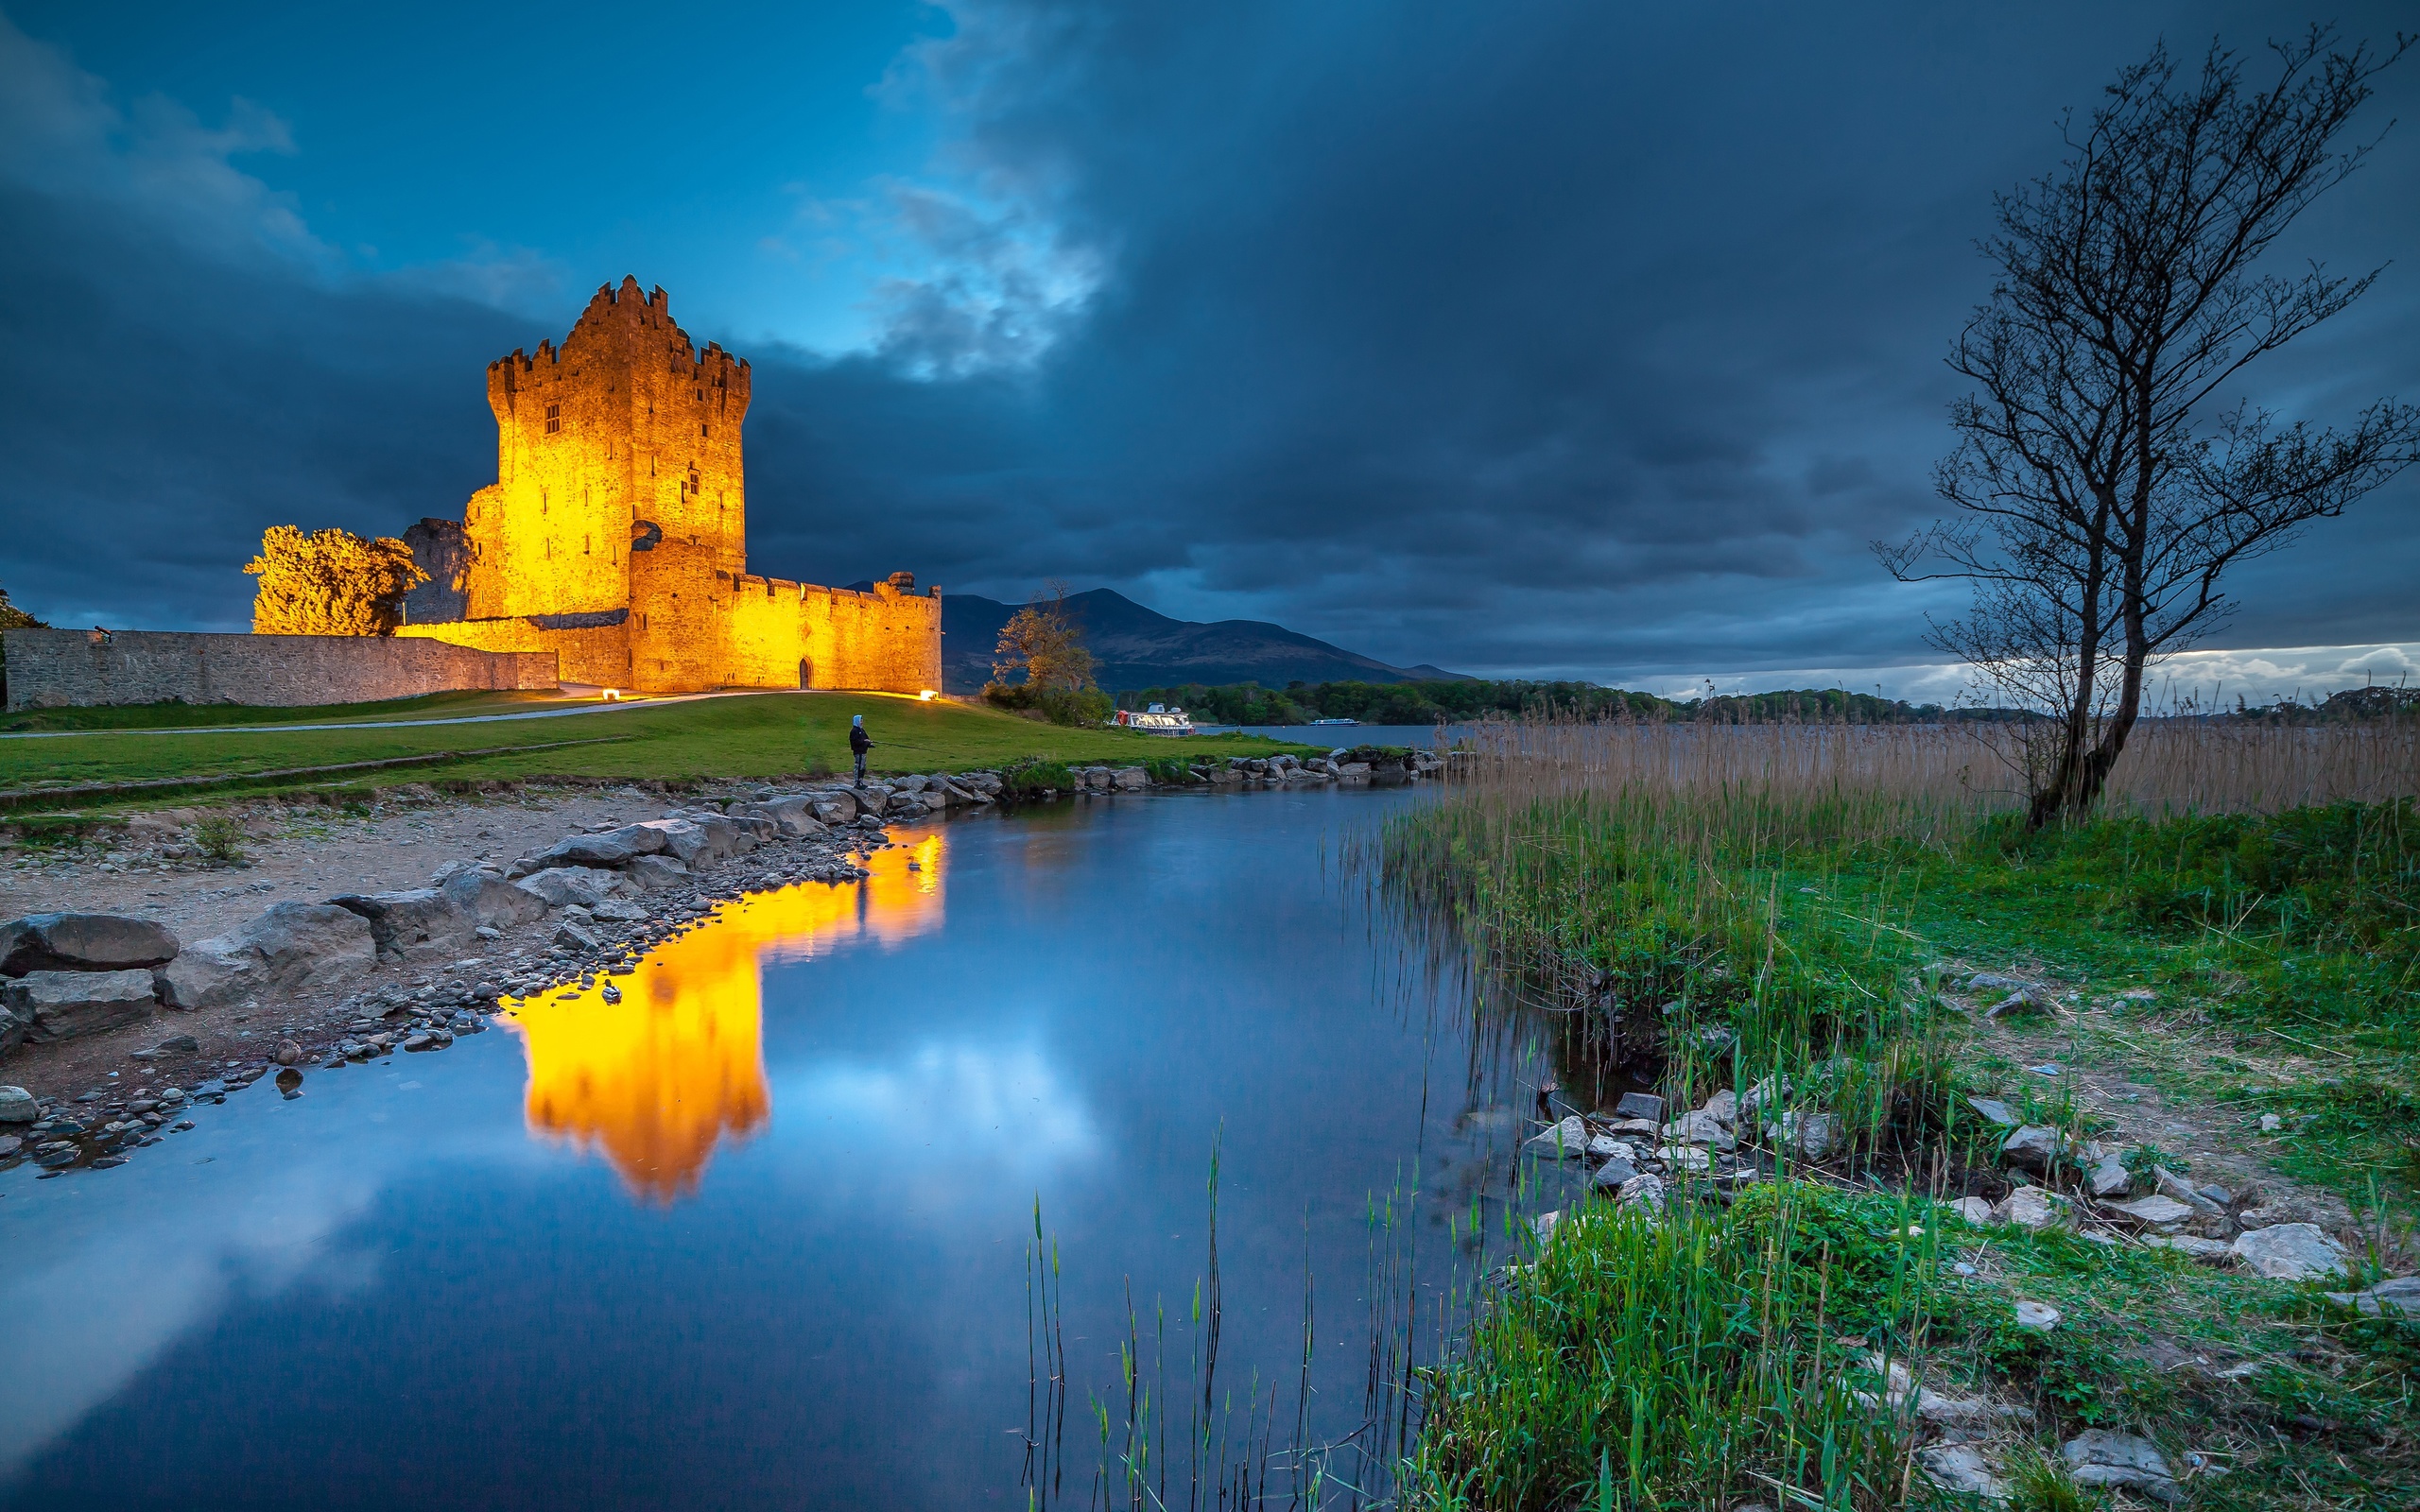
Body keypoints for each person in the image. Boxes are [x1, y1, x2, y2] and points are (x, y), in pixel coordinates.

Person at [848, 713, 873, 786]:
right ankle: (857, 783)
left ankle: (861, 781)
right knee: (858, 767)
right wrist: (864, 741)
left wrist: (869, 743)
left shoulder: (862, 730)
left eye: (862, 720)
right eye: (860, 720)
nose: (862, 722)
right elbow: (855, 742)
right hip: (858, 752)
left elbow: (866, 738)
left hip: (863, 751)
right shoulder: (854, 731)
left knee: (862, 767)